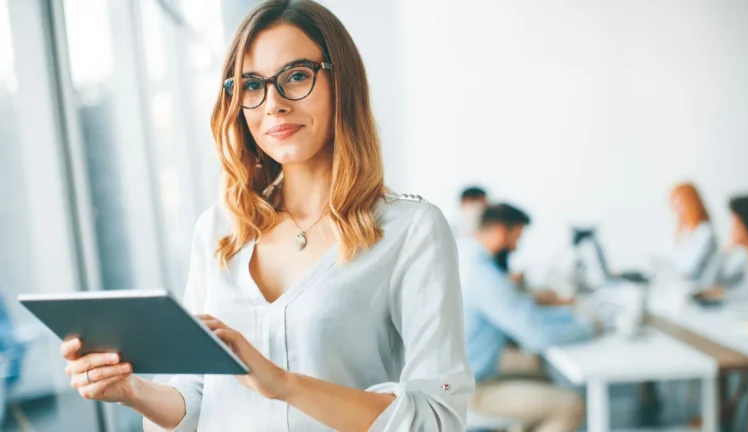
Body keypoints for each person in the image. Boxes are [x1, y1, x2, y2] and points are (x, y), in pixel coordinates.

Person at [58, 1, 474, 430]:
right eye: (252, 85)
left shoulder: (411, 231)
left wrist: (284, 384)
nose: (272, 104)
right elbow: (199, 395)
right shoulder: (219, 230)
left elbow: (436, 418)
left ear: (341, 81)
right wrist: (133, 392)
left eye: (296, 76)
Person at [460, 204, 600, 432]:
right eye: (517, 236)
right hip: (473, 391)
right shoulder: (482, 276)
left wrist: (568, 317)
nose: (517, 246)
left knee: (542, 374)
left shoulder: (470, 258)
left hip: (466, 377)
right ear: (499, 232)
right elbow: (536, 335)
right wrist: (591, 327)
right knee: (571, 405)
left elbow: (524, 314)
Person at [700, 194, 748, 302]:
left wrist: (725, 294)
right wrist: (725, 252)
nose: (731, 229)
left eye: (735, 224)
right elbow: (709, 284)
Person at [668, 183, 718, 283]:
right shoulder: (684, 232)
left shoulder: (705, 232)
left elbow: (692, 269)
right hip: (681, 283)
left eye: (680, 204)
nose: (677, 211)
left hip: (698, 286)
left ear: (691, 203)